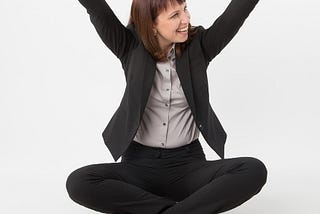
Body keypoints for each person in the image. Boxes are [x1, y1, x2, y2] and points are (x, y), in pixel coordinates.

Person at [66, 0, 267, 213]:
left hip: (189, 166)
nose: (186, 19)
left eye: (185, 9)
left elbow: (235, 14)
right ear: (151, 24)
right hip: (138, 167)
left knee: (253, 170)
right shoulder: (128, 45)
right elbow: (97, 9)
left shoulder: (200, 45)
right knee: (79, 182)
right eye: (175, 15)